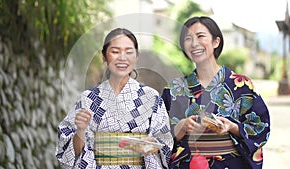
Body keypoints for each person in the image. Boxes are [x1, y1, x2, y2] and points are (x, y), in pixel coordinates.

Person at [161, 16, 270, 169]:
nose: (194, 44)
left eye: (200, 36)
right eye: (188, 39)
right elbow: (159, 137)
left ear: (215, 42)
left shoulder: (241, 85)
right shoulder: (172, 89)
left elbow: (261, 127)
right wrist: (181, 127)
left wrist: (232, 127)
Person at [55, 28, 173, 169]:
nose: (122, 57)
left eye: (129, 52)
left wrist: (146, 145)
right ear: (104, 56)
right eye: (115, 51)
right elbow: (71, 153)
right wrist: (80, 130)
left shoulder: (151, 98)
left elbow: (165, 145)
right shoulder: (89, 99)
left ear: (136, 57)